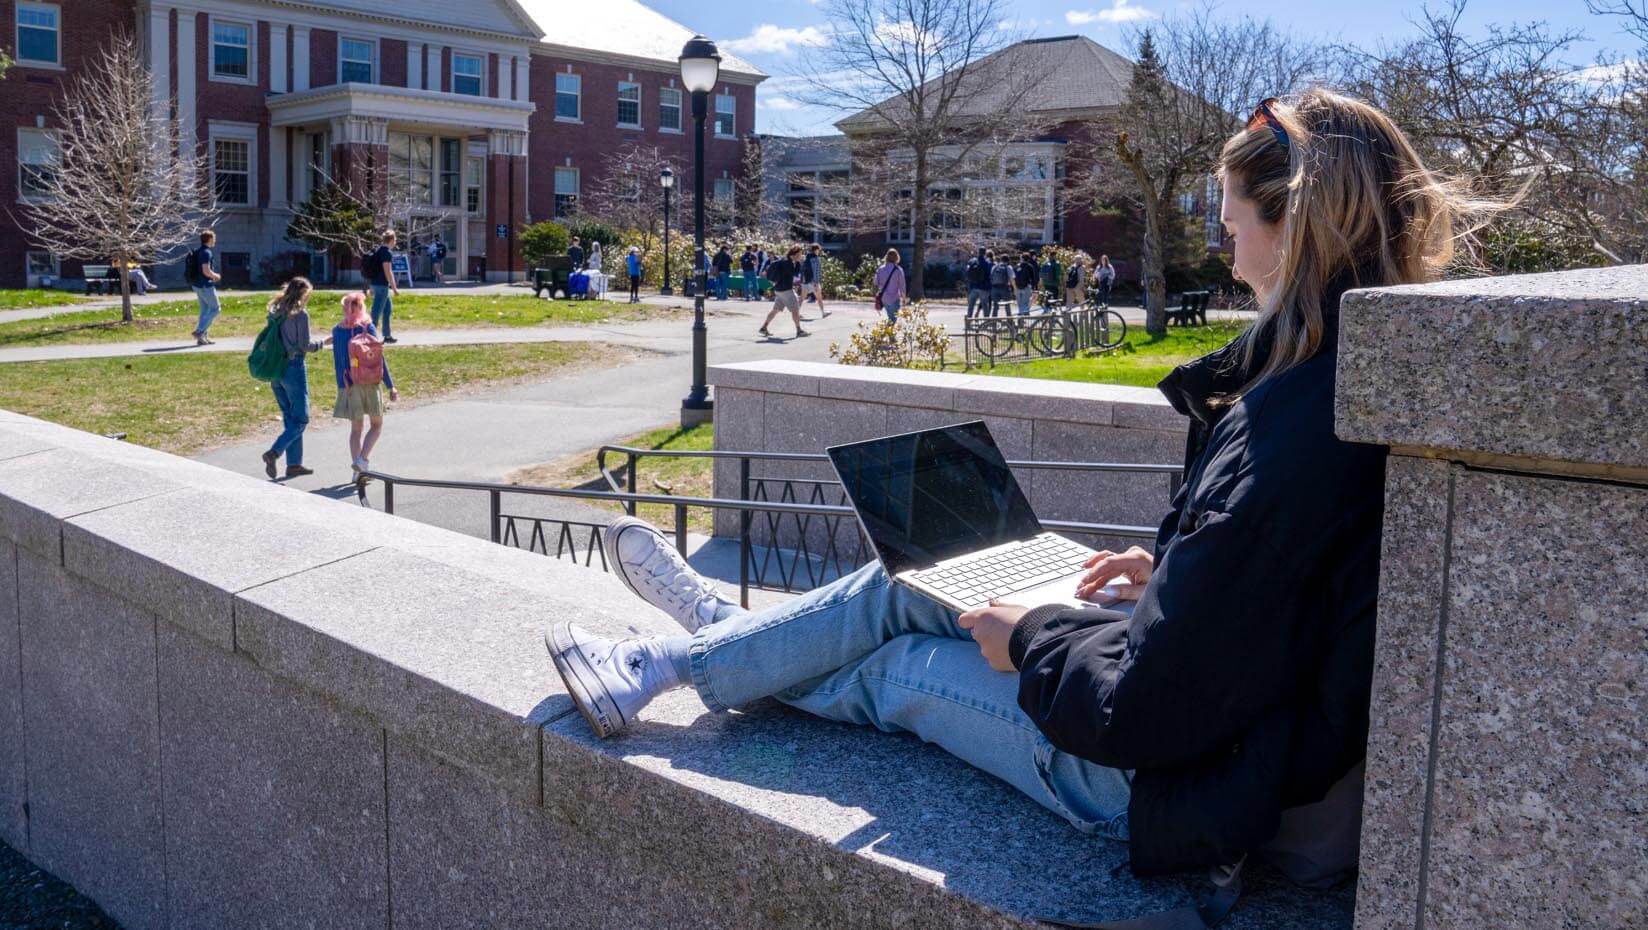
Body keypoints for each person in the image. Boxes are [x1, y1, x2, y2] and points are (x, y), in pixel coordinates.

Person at [544, 88, 1491, 884]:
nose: (1227, 241)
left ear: (1292, 229)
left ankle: (690, 653)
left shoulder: (1289, 433)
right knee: (917, 578)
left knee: (892, 668)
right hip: (1244, 745)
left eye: (1233, 219)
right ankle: (710, 644)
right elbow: (1284, 586)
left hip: (1173, 787)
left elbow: (1142, 715)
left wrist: (1028, 636)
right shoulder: (1351, 386)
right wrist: (1168, 567)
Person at [259, 277, 331, 481]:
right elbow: (304, 345)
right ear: (303, 294)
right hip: (293, 367)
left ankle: (294, 464)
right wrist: (323, 343)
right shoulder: (300, 314)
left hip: (276, 369)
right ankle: (274, 452)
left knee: (290, 418)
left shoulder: (275, 311)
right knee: (301, 418)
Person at [331, 291, 397, 477]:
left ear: (345, 308)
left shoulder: (337, 331)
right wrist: (390, 385)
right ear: (361, 307)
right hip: (371, 382)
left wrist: (342, 387)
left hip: (350, 385)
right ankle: (362, 460)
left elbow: (338, 361)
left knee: (355, 430)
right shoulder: (368, 328)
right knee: (376, 425)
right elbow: (379, 358)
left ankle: (357, 471)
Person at [757, 245, 807, 339]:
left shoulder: (784, 260)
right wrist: (798, 263)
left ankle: (764, 327)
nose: (801, 256)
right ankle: (799, 330)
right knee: (795, 309)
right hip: (786, 290)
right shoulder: (788, 263)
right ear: (795, 254)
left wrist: (796, 263)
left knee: (775, 310)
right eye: (800, 254)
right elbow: (794, 273)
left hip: (778, 289)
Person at [188, 230, 222, 346]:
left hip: (196, 284)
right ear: (210, 239)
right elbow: (206, 270)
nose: (215, 241)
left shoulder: (198, 251)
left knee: (205, 310)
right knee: (216, 308)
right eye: (214, 238)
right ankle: (200, 331)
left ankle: (202, 338)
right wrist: (216, 276)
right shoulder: (206, 252)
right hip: (205, 285)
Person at [366, 229, 400, 344]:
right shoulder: (387, 253)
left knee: (387, 310)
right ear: (390, 240)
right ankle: (368, 336)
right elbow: (388, 271)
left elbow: (373, 269)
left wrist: (370, 286)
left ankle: (387, 335)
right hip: (382, 286)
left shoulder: (378, 250)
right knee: (376, 312)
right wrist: (394, 288)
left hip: (376, 284)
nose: (395, 242)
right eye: (394, 239)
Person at [871, 248, 907, 322]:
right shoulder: (898, 270)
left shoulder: (880, 269)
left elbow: (875, 283)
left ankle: (887, 332)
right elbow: (902, 286)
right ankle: (887, 332)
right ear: (897, 257)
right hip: (895, 298)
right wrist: (903, 298)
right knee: (893, 320)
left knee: (890, 318)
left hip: (884, 298)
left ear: (886, 257)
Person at [964, 248, 993, 318]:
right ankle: (986, 321)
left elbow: (967, 272)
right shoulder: (987, 263)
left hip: (973, 287)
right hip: (984, 287)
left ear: (978, 252)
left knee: (971, 305)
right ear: (985, 253)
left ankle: (969, 320)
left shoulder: (972, 261)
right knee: (985, 305)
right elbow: (990, 274)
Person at [802, 244, 828, 316]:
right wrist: (816, 282)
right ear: (816, 250)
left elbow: (803, 269)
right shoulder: (815, 259)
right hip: (814, 281)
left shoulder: (807, 258)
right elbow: (816, 271)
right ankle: (823, 313)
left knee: (802, 298)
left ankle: (796, 313)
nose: (819, 251)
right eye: (819, 250)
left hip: (806, 281)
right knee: (819, 298)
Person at [988, 252, 1012, 317]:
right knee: (1007, 305)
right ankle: (1010, 322)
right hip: (1004, 288)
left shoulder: (994, 267)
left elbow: (990, 277)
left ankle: (994, 323)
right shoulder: (1008, 267)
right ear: (1008, 260)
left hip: (994, 289)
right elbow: (1011, 278)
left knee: (995, 306)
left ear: (1001, 259)